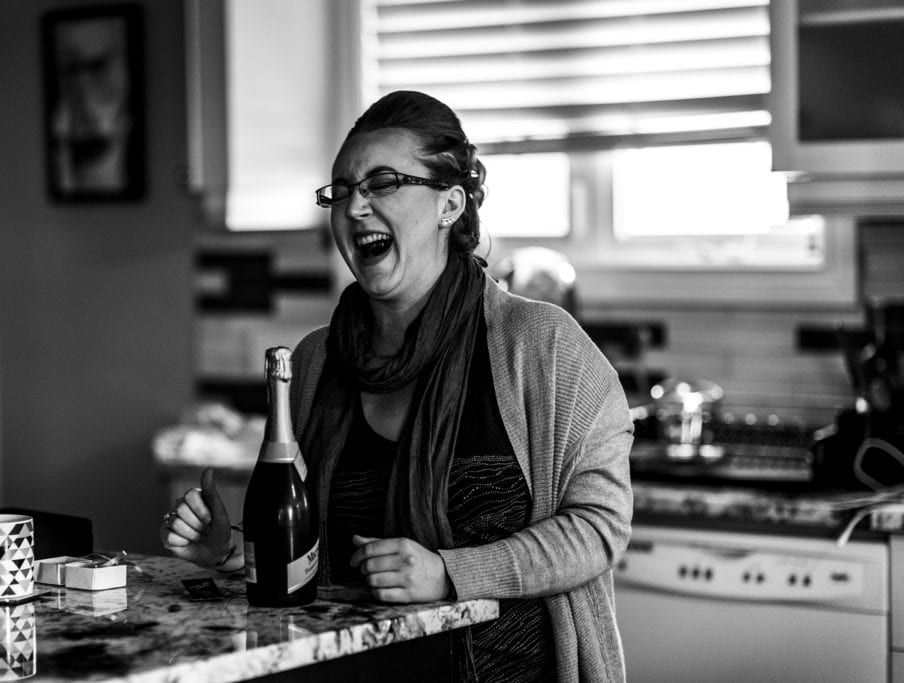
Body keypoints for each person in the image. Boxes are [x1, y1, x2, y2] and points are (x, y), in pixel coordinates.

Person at [161, 90, 634, 682]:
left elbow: (598, 528)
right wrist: (231, 551)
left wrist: (449, 572)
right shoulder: (314, 363)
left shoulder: (541, 346)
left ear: (450, 205)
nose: (354, 208)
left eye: (382, 183)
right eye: (341, 190)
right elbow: (307, 548)